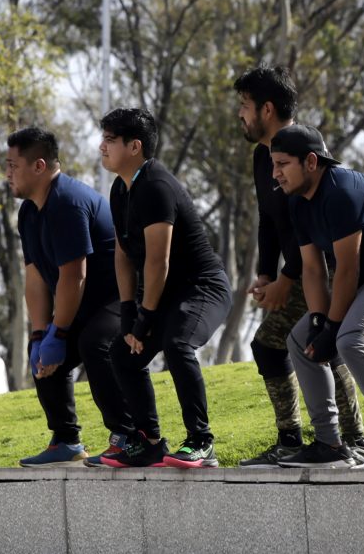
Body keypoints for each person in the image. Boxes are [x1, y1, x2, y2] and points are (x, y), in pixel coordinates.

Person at [232, 65, 364, 467]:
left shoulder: (305, 151)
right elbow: (269, 220)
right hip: (295, 270)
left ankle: (350, 438)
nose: (240, 114)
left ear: (267, 109)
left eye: (244, 105)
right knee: (283, 345)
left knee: (314, 342)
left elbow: (307, 226)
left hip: (321, 269)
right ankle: (300, 438)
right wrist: (264, 274)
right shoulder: (263, 157)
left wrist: (286, 279)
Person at [268, 125, 364, 468]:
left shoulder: (341, 191)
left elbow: (347, 269)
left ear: (310, 162)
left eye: (282, 164)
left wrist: (333, 328)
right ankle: (330, 445)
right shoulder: (297, 201)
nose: (275, 173)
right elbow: (313, 270)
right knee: (300, 340)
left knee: (352, 340)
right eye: (273, 165)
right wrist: (321, 323)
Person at [97, 108, 232, 469]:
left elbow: (159, 261)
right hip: (166, 293)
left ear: (134, 146)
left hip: (202, 287)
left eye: (110, 140)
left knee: (177, 344)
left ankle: (202, 442)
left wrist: (147, 317)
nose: (101, 147)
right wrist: (129, 315)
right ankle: (149, 441)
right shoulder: (120, 189)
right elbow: (124, 256)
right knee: (123, 354)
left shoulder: (156, 186)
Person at [7, 126, 135, 467]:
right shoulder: (29, 212)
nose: (7, 174)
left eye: (12, 165)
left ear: (39, 166)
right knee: (44, 357)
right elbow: (34, 276)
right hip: (80, 301)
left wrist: (60, 332)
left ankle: (129, 437)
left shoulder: (66, 201)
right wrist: (40, 333)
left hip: (118, 296)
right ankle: (66, 440)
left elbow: (73, 274)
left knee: (94, 344)